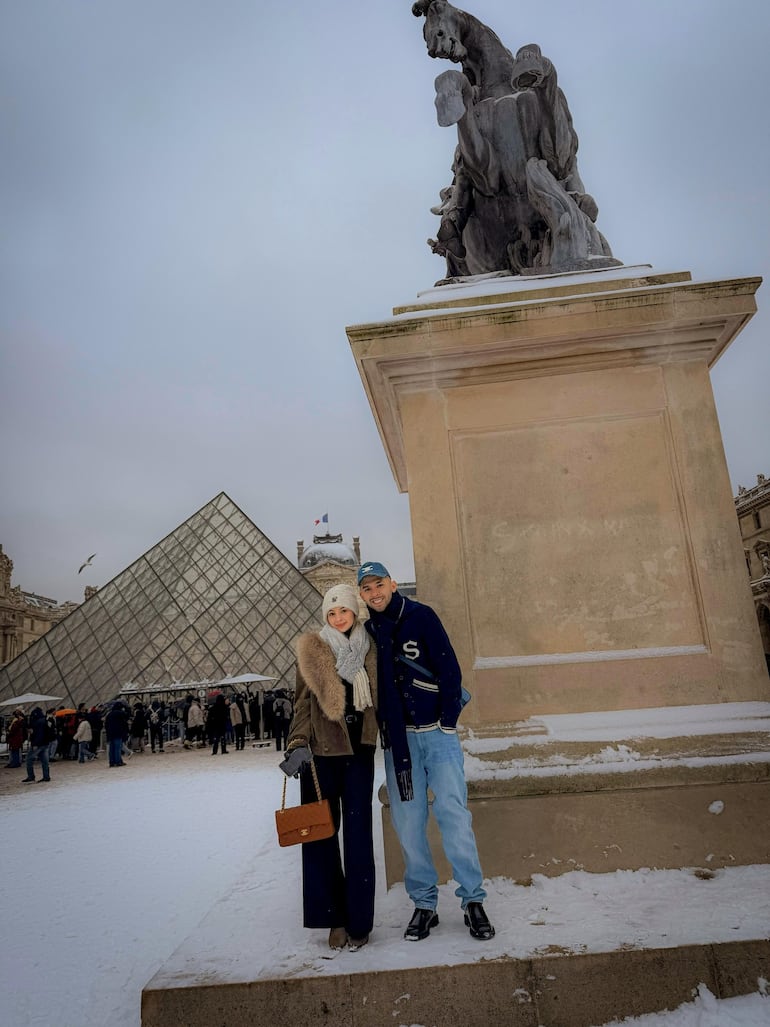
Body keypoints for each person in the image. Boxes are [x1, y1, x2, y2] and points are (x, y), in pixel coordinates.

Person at [358, 561, 495, 942]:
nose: (374, 593)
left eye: (378, 585)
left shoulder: (422, 616)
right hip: (399, 742)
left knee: (453, 813)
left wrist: (448, 722)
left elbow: (450, 669)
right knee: (407, 822)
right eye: (367, 589)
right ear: (362, 595)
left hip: (437, 734)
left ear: (392, 584)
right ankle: (424, 903)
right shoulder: (365, 632)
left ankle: (473, 900)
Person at [280, 582, 378, 952]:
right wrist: (297, 742)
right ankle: (333, 917)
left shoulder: (371, 647)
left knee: (358, 837)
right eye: (331, 612)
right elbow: (302, 703)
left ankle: (359, 920)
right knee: (321, 838)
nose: (338, 618)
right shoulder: (312, 648)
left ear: (355, 611)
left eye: (344, 611)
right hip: (321, 754)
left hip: (359, 752)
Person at [22, 706, 51, 783]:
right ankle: (46, 776)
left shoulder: (38, 722)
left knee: (29, 759)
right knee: (45, 762)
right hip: (45, 744)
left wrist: (35, 744)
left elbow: (39, 734)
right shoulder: (44, 720)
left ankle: (31, 776)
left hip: (38, 744)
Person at [104, 701, 130, 767]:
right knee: (117, 748)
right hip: (118, 732)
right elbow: (127, 716)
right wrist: (127, 708)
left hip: (110, 733)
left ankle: (111, 762)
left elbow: (106, 724)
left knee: (111, 748)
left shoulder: (109, 714)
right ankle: (118, 761)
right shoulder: (120, 713)